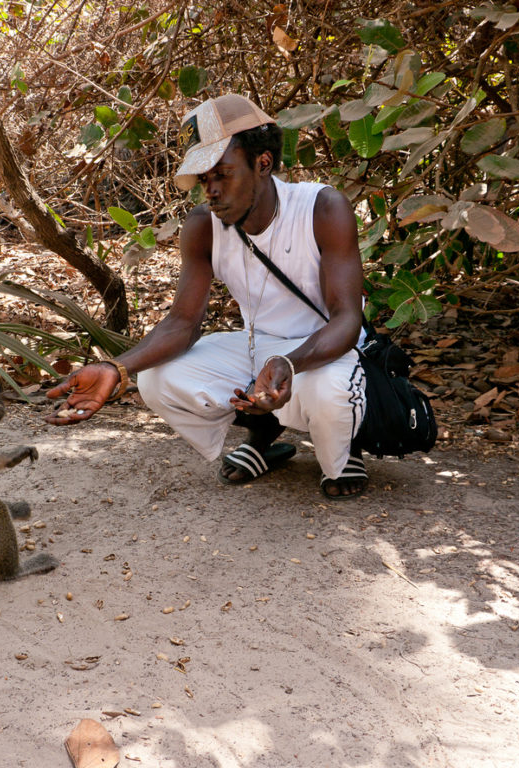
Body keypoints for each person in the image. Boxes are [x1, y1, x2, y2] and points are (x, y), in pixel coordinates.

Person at [45, 94, 368, 498]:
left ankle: (345, 447)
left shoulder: (323, 208)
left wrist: (288, 362)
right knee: (158, 379)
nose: (211, 191)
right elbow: (183, 323)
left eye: (223, 174)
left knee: (330, 397)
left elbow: (347, 320)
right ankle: (263, 432)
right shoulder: (203, 227)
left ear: (262, 163)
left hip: (323, 348)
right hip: (260, 349)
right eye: (203, 180)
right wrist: (117, 369)